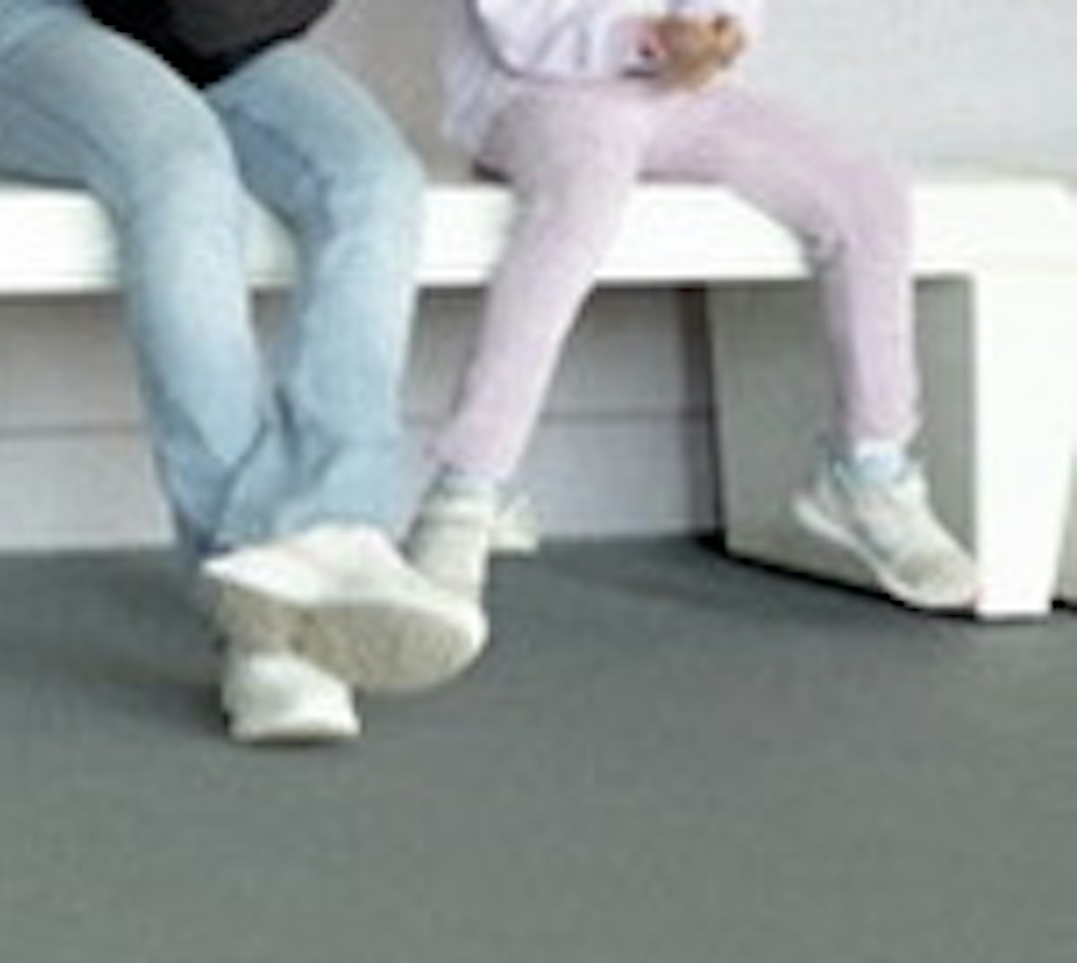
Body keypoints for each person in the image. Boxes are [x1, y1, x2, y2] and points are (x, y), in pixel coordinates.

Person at [0, 0, 483, 746]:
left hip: (214, 31)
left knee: (374, 178)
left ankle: (331, 526)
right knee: (183, 171)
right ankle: (262, 606)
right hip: (20, 28)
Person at [407, 1, 976, 613]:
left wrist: (720, 29)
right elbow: (517, 27)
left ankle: (870, 467)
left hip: (673, 94)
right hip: (533, 93)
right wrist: (646, 39)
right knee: (581, 203)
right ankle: (467, 485)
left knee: (867, 196)